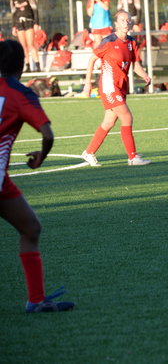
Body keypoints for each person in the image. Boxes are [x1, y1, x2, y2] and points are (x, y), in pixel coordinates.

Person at [0, 40, 75, 313]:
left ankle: (36, 300)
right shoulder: (20, 93)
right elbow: (48, 134)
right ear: (22, 66)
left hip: (2, 182)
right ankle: (36, 300)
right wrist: (42, 155)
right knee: (30, 229)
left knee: (31, 227)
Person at [81, 11, 152, 167]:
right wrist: (88, 83)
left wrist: (144, 75)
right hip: (109, 86)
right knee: (127, 117)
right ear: (116, 24)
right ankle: (132, 157)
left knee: (108, 122)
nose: (126, 23)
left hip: (121, 86)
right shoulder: (108, 41)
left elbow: (135, 64)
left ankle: (89, 152)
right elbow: (92, 60)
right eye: (122, 20)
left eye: (128, 20)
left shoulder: (132, 42)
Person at [10, 0, 41, 72]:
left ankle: (37, 65)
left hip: (29, 22)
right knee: (23, 46)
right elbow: (13, 14)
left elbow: (35, 10)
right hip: (19, 24)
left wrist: (36, 23)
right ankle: (27, 65)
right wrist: (14, 26)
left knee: (31, 44)